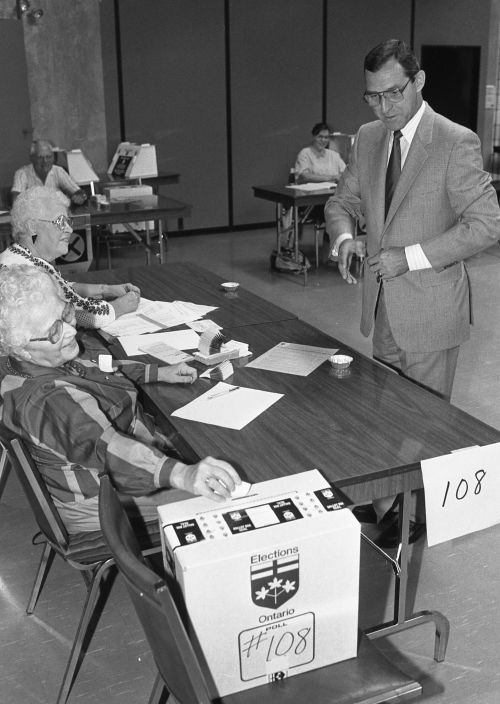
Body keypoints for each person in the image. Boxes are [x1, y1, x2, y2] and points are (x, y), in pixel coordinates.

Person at [324, 39, 500, 546]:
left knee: (422, 421)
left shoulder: (455, 141)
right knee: (384, 414)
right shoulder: (369, 137)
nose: (383, 108)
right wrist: (344, 239)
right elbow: (344, 201)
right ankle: (392, 504)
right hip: (382, 308)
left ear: (418, 83)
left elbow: (486, 225)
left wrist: (412, 256)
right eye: (372, 97)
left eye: (393, 95)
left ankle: (412, 516)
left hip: (430, 307)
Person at [0, 265, 241, 534]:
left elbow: (97, 367)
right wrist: (182, 475)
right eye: (54, 331)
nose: (70, 331)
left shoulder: (33, 360)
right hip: (101, 495)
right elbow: (109, 448)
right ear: (21, 346)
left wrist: (157, 371)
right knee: (229, 498)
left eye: (66, 314)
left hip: (114, 468)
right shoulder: (47, 401)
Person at [0, 186, 139, 328]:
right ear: (32, 227)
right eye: (60, 222)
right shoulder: (29, 274)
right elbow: (88, 315)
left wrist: (105, 290)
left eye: (68, 222)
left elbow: (61, 288)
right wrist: (120, 306)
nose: (70, 229)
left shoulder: (16, 257)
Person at [12, 139, 87, 206]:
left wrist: (80, 196)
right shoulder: (22, 173)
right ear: (32, 158)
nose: (45, 161)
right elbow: (16, 201)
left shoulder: (58, 170)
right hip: (33, 219)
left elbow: (77, 191)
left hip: (56, 217)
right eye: (40, 157)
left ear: (53, 158)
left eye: (49, 157)